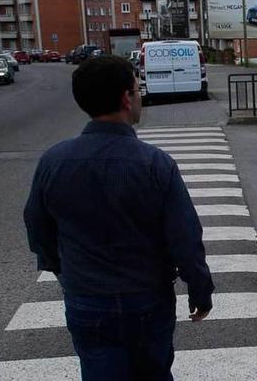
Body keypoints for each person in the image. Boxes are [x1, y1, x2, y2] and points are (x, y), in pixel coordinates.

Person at [24, 55, 214, 381]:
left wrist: (64, 271)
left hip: (86, 299)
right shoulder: (155, 164)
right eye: (138, 90)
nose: (140, 97)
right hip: (147, 299)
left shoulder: (53, 161)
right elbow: (185, 238)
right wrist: (200, 289)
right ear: (127, 98)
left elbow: (37, 227)